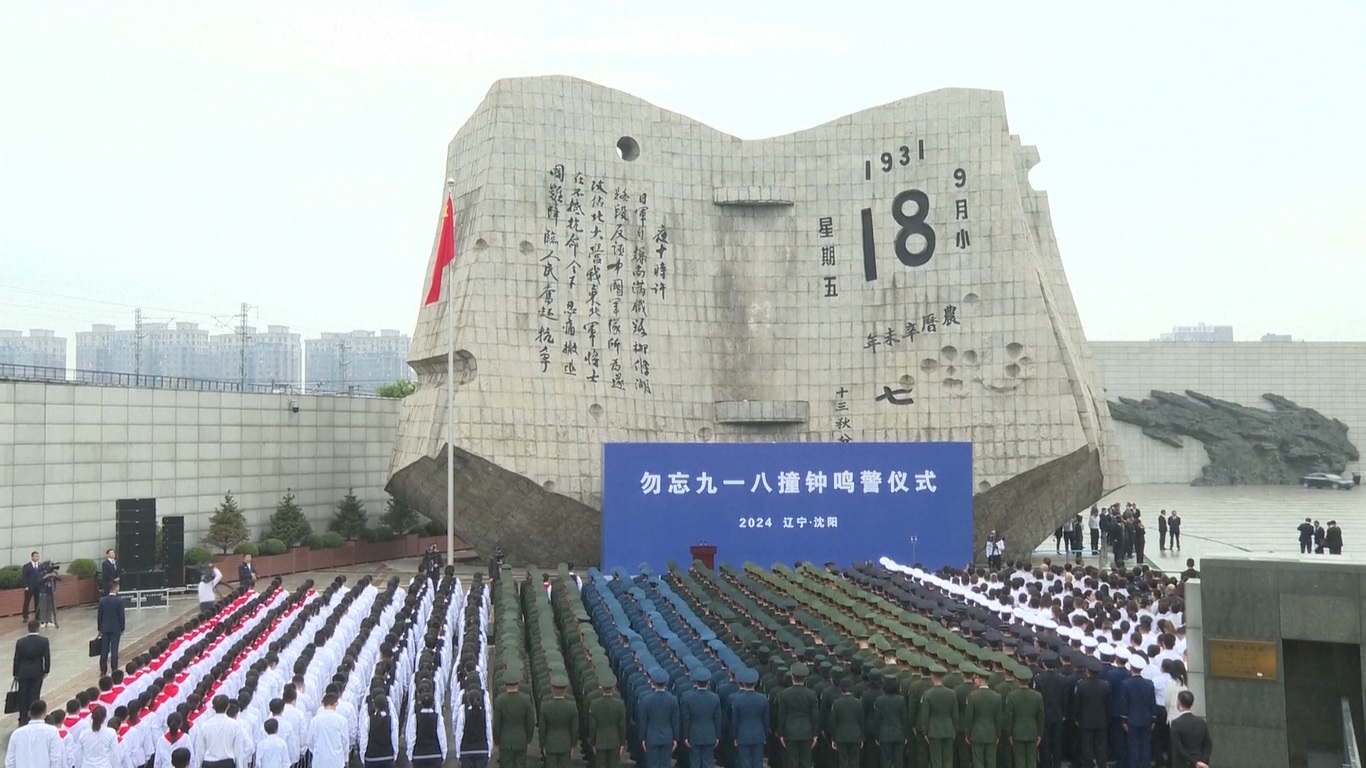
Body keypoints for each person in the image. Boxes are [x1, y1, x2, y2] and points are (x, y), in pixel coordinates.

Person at [1117, 658, 1156, 768]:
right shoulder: (1149, 684)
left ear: (1131, 668)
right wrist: (1153, 719)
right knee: (1146, 747)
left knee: (1133, 747)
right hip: (1146, 719)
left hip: (1132, 720)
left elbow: (1124, 704)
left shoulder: (1126, 684)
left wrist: (1123, 720)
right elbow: (1152, 703)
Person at [638, 667, 680, 768]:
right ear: (666, 682)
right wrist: (675, 738)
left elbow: (643, 721)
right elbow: (675, 721)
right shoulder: (673, 700)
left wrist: (642, 738)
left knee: (652, 764)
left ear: (652, 682)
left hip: (651, 737)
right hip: (667, 736)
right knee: (665, 764)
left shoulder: (646, 700)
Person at [680, 669, 722, 768]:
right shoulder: (715, 698)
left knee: (695, 762)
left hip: (694, 734)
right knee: (708, 762)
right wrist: (718, 736)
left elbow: (686, 719)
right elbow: (718, 719)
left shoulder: (688, 697)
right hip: (710, 734)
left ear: (695, 681)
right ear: (708, 682)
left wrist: (685, 736)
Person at [492, 671, 533, 768]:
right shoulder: (526, 699)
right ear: (518, 684)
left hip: (505, 740)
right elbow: (530, 721)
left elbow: (497, 723)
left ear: (505, 685)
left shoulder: (499, 700)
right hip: (521, 739)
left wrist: (496, 740)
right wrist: (528, 739)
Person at [5, 699, 63, 768]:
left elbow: (10, 761)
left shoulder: (16, 734)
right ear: (44, 714)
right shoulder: (52, 731)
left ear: (29, 714)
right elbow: (55, 758)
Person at [730, 669, 769, 768]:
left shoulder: (737, 700)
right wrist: (765, 734)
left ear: (742, 683)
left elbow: (735, 720)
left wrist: (734, 736)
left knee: (744, 762)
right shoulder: (763, 699)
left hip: (742, 735)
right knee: (758, 762)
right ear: (756, 683)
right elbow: (766, 720)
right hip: (759, 734)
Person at [13, 620, 50, 725]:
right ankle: (34, 716)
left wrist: (15, 673)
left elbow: (16, 659)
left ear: (28, 628)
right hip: (37, 672)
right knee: (34, 694)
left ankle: (22, 718)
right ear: (38, 628)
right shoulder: (44, 641)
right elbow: (46, 657)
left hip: (23, 672)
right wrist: (46, 670)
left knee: (23, 695)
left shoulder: (20, 641)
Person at [541, 675, 580, 768]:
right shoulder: (572, 706)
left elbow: (542, 728)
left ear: (551, 690)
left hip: (550, 744)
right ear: (565, 690)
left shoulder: (545, 706)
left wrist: (543, 744)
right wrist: (573, 744)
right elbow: (575, 728)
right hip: (566, 744)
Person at [589, 676, 627, 768]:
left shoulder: (594, 704)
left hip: (600, 740)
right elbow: (622, 725)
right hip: (615, 741)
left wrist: (592, 742)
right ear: (613, 688)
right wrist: (623, 743)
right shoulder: (620, 704)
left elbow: (593, 726)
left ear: (601, 688)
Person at [1167, 691, 1211, 768]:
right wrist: (1202, 761)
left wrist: (1194, 762)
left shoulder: (1176, 723)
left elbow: (1178, 748)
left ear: (1178, 703)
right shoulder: (1201, 722)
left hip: (1182, 764)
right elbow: (1208, 744)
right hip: (1200, 762)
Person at [309, 692, 351, 768]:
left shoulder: (314, 721)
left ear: (323, 704)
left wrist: (316, 751)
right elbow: (345, 741)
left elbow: (310, 741)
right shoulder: (341, 720)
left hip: (319, 761)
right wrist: (346, 759)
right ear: (336, 704)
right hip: (336, 761)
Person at [456, 686, 491, 768]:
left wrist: (458, 753)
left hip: (466, 751)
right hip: (482, 749)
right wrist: (488, 751)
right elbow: (488, 733)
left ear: (468, 700)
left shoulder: (463, 711)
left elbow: (459, 734)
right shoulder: (485, 713)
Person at [96, 582, 125, 676]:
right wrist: (122, 627)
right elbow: (121, 616)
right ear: (115, 588)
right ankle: (114, 669)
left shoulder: (102, 601)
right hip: (115, 628)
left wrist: (100, 628)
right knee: (114, 649)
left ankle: (103, 670)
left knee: (104, 650)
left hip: (105, 628)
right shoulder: (119, 601)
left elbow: (99, 616)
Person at [22, 552, 43, 623]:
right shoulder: (27, 566)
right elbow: (24, 577)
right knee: (27, 602)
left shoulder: (40, 566)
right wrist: (26, 586)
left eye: (38, 556)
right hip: (29, 587)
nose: (37, 558)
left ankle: (38, 616)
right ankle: (25, 616)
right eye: (35, 556)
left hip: (38, 587)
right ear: (32, 557)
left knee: (38, 601)